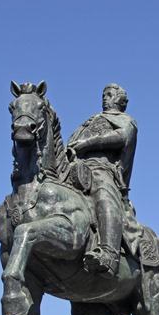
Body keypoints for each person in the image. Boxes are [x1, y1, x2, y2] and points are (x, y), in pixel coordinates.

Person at [67, 83, 138, 278]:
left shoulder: (126, 121)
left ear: (120, 100)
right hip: (76, 169)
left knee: (104, 195)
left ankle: (109, 255)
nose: (104, 98)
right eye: (103, 95)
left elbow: (122, 137)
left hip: (102, 169)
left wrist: (86, 144)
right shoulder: (89, 122)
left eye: (109, 95)